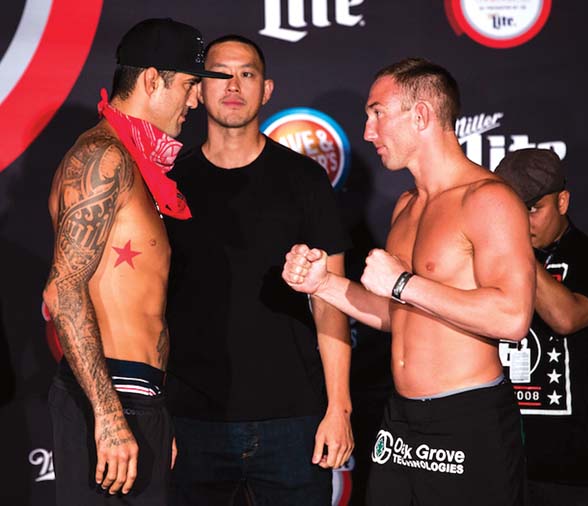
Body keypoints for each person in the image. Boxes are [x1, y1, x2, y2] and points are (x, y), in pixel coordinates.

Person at [282, 58, 536, 506]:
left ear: (420, 115)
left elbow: (512, 317)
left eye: (377, 113)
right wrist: (323, 285)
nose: (367, 132)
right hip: (400, 422)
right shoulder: (407, 206)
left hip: (467, 419)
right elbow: (397, 314)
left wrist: (403, 283)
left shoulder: (488, 199)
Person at [42, 18, 230, 505]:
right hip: (108, 397)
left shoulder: (134, 164)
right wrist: (109, 416)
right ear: (151, 80)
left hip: (136, 399)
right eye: (189, 84)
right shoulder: (102, 159)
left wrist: (152, 412)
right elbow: (63, 290)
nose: (196, 101)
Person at [165, 34, 353, 505]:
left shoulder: (305, 180)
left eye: (246, 74)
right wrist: (156, 416)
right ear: (197, 90)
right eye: (220, 74)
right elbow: (149, 308)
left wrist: (339, 407)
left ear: (266, 89)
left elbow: (331, 302)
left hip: (293, 420)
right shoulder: (169, 184)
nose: (233, 85)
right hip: (191, 421)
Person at [494, 148, 588, 506]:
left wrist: (515, 250)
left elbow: (567, 317)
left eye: (533, 209)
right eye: (512, 210)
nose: (522, 222)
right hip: (497, 458)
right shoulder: (487, 259)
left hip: (571, 467)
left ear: (563, 201)